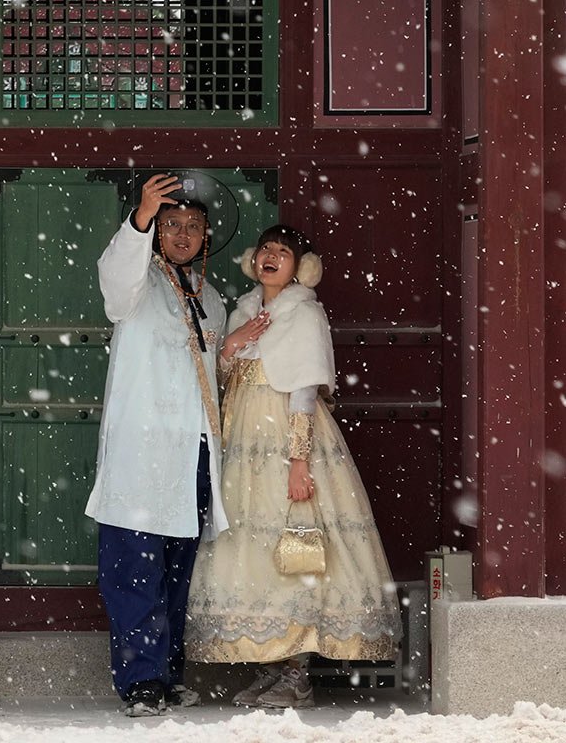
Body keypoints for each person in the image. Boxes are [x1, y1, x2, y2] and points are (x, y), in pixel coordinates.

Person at [185, 225, 398, 709]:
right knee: (251, 549)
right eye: (266, 250)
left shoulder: (303, 312)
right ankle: (271, 663)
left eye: (283, 252)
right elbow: (222, 378)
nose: (271, 257)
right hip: (244, 443)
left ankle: (298, 673)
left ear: (299, 266)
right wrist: (231, 344)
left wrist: (299, 461)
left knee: (294, 546)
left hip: (285, 438)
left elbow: (304, 390)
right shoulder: (243, 309)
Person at [87, 173, 230, 717]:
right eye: (172, 224)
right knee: (133, 571)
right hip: (142, 454)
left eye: (193, 226)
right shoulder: (138, 283)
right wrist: (139, 219)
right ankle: (140, 681)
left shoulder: (210, 296)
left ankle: (167, 672)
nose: (183, 234)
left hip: (193, 452)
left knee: (176, 571)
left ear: (207, 236)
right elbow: (114, 279)